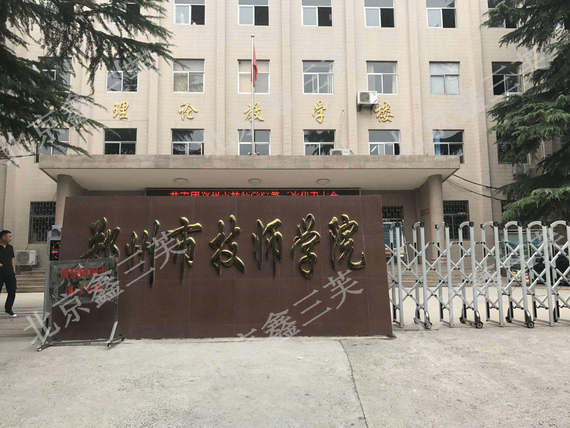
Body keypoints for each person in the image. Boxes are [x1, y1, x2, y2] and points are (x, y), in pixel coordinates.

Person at [0, 230, 17, 317]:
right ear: (3, 237)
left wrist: (14, 270)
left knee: (12, 291)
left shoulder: (10, 247)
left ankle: (8, 309)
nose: (11, 238)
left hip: (10, 273)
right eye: (9, 236)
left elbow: (12, 258)